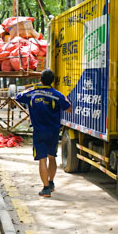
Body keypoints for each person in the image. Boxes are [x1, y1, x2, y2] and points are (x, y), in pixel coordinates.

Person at [15, 68, 72, 197]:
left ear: (40, 80)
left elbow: (18, 97)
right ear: (52, 81)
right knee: (52, 157)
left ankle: (45, 188)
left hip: (39, 132)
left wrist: (33, 88)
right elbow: (68, 108)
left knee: (42, 159)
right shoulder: (57, 94)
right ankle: (51, 183)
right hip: (53, 132)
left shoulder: (32, 93)